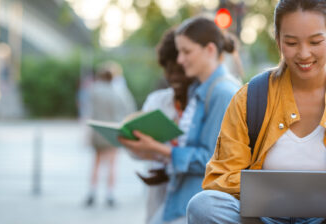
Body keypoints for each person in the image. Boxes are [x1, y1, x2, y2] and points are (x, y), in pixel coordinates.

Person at [187, 0, 326, 224]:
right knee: (203, 206)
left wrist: (317, 198)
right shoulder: (249, 98)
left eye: (315, 41)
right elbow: (220, 177)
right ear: (278, 41)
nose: (304, 53)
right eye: (291, 42)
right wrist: (277, 196)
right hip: (262, 219)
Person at [119, 16, 241, 224]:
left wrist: (159, 149)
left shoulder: (223, 93)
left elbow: (213, 162)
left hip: (197, 206)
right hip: (181, 201)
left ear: (210, 50)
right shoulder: (201, 90)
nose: (180, 60)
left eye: (186, 52)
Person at [137, 28, 194, 223]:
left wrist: (172, 168)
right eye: (168, 70)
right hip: (160, 195)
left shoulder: (206, 103)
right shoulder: (157, 102)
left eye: (180, 71)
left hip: (192, 196)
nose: (174, 77)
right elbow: (138, 150)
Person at [84, 64, 135, 207]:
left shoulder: (93, 91)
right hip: (113, 131)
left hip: (97, 131)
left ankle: (92, 192)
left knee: (96, 163)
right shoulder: (119, 92)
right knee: (112, 164)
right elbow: (129, 110)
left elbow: (88, 110)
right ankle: (110, 194)